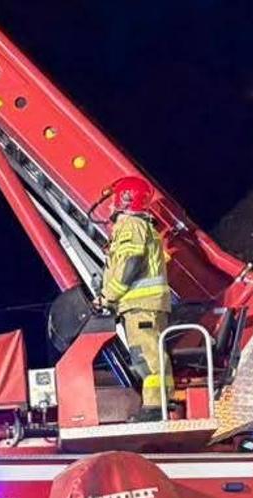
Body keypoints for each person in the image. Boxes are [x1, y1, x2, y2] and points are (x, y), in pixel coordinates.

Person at [99, 176, 173, 421]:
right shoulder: (141, 225)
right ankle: (158, 403)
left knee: (146, 355)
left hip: (141, 306)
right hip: (146, 306)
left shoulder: (131, 224)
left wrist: (109, 295)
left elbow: (131, 261)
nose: (110, 205)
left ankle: (155, 408)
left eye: (113, 199)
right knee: (150, 354)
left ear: (124, 199)